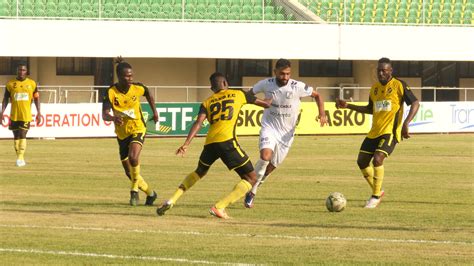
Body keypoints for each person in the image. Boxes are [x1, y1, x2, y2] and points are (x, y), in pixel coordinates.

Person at [156, 72, 271, 219]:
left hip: (210, 143)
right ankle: (220, 207)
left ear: (212, 87)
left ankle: (172, 199)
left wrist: (186, 144)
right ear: (225, 83)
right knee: (251, 178)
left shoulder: (207, 102)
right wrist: (272, 96)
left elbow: (198, 123)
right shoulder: (238, 94)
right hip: (227, 142)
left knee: (199, 172)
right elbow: (266, 104)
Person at [335, 57, 420, 208]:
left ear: (390, 71)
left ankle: (374, 197)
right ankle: (378, 190)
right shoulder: (374, 88)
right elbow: (369, 109)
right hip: (374, 131)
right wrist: (347, 105)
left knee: (378, 159)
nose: (381, 73)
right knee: (361, 161)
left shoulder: (399, 85)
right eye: (379, 70)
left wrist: (406, 123)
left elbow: (415, 102)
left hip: (390, 132)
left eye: (384, 71)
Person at [244, 58, 328, 208]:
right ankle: (250, 188)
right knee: (265, 157)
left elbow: (317, 95)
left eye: (288, 74)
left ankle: (255, 186)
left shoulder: (297, 86)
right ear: (275, 72)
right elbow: (247, 96)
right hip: (269, 127)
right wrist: (262, 102)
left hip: (287, 134)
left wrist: (322, 113)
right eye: (282, 74)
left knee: (271, 167)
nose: (285, 77)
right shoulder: (266, 84)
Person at [102, 57, 159, 206]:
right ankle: (150, 193)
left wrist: (155, 111)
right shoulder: (111, 92)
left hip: (138, 128)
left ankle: (134, 191)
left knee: (134, 158)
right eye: (127, 76)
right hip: (122, 134)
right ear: (119, 76)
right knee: (129, 172)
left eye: (131, 75)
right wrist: (113, 118)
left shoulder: (137, 87)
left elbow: (149, 94)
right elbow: (104, 114)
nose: (130, 78)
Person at [0, 63, 41, 167]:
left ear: (26, 71)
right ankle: (19, 157)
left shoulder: (32, 84)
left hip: (26, 115)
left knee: (22, 134)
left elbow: (36, 98)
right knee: (16, 136)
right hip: (14, 115)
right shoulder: (10, 84)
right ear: (17, 71)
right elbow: (5, 99)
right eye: (19, 70)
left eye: (23, 70)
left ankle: (20, 158)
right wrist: (2, 112)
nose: (21, 72)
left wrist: (39, 112)